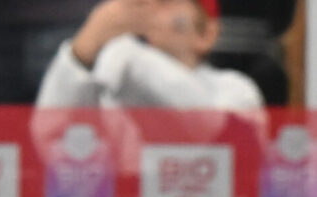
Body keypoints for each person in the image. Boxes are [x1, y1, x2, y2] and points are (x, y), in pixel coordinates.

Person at [35, 0, 267, 114]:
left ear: (206, 35)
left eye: (165, 3)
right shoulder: (114, 81)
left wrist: (127, 53)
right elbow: (52, 140)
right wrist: (84, 48)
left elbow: (208, 128)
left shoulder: (237, 91)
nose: (148, 11)